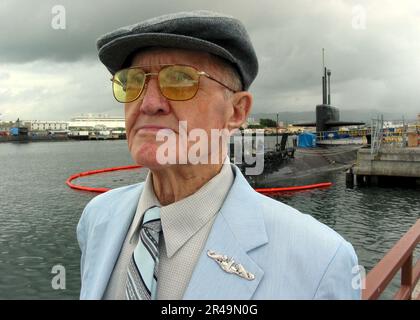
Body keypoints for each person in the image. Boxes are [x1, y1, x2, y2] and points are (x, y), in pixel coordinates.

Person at [77, 10, 361, 300]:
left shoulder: (321, 261)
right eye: (133, 81)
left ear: (237, 111)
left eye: (180, 80)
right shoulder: (98, 217)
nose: (148, 103)